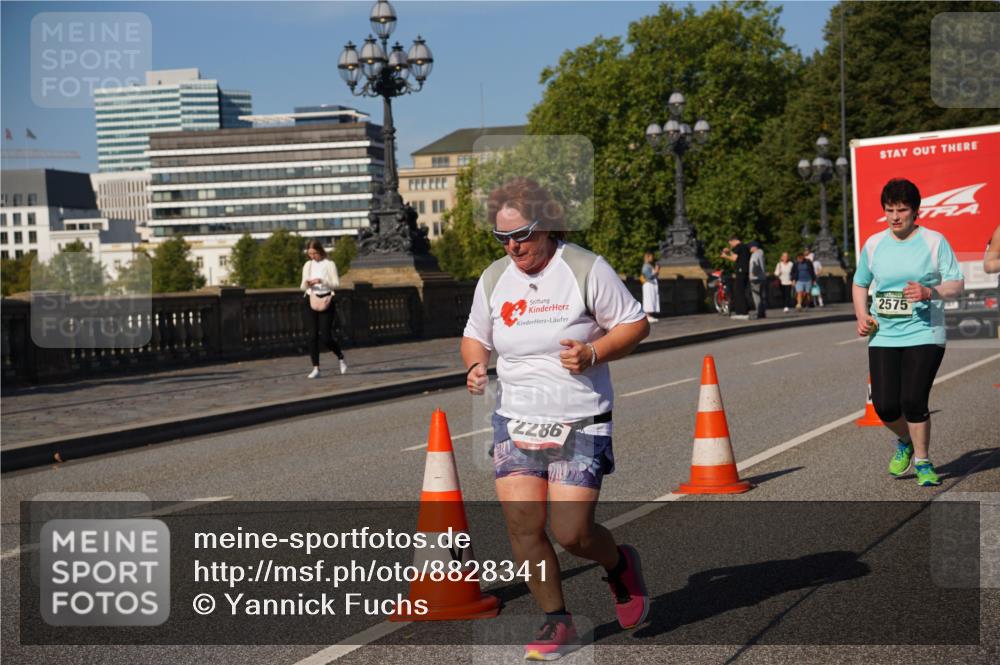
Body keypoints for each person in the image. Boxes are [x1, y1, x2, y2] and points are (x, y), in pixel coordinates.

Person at [461, 178, 650, 660]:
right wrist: (475, 363)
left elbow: (634, 322)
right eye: (503, 238)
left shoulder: (584, 268)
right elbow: (474, 335)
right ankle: (557, 621)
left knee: (572, 533)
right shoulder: (493, 278)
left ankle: (618, 565)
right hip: (516, 416)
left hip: (579, 416)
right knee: (523, 526)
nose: (513, 246)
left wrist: (594, 351)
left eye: (521, 234)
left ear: (545, 225)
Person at [852, 178, 964, 487]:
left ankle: (924, 461)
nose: (895, 217)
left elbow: (956, 283)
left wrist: (930, 291)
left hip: (925, 331)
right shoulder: (874, 244)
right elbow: (860, 282)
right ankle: (905, 440)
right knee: (885, 406)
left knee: (914, 399)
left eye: (902, 210)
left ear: (916, 211)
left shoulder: (933, 241)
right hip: (884, 334)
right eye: (889, 210)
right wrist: (862, 315)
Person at [301, 239, 347, 378]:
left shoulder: (329, 264)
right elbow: (302, 286)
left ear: (320, 251)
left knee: (326, 336)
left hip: (326, 300)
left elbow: (336, 284)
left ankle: (340, 356)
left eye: (314, 253)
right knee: (312, 335)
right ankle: (316, 368)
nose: (312, 256)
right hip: (310, 299)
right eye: (310, 253)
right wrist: (307, 283)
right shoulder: (308, 265)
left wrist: (321, 281)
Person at [721, 236, 751, 319]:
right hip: (745, 271)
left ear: (733, 241)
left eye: (730, 243)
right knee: (741, 291)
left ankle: (742, 313)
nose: (731, 245)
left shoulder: (738, 247)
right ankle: (743, 312)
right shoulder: (745, 247)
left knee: (738, 292)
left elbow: (734, 258)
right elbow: (738, 256)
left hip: (740, 271)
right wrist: (730, 251)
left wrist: (725, 256)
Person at [749, 241, 767, 319]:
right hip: (762, 277)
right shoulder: (761, 253)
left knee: (756, 296)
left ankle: (759, 312)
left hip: (755, 278)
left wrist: (753, 273)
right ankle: (762, 312)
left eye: (750, 247)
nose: (749, 248)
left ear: (754, 247)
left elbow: (754, 263)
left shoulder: (755, 254)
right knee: (762, 296)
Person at [640, 251, 660, 323]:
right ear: (648, 257)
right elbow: (649, 276)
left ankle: (649, 315)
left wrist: (656, 272)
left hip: (651, 285)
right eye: (651, 256)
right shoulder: (646, 266)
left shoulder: (649, 265)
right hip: (648, 285)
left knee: (651, 299)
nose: (653, 258)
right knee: (648, 299)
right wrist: (656, 271)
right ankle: (647, 315)